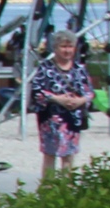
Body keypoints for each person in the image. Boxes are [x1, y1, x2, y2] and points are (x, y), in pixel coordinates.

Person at [29, 29, 92, 178]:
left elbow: (89, 92)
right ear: (55, 48)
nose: (67, 50)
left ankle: (67, 189)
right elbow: (37, 91)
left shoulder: (79, 69)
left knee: (69, 156)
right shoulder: (45, 67)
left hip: (72, 119)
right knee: (50, 155)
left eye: (70, 47)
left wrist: (80, 101)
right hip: (50, 119)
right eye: (63, 47)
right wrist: (57, 99)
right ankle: (48, 189)